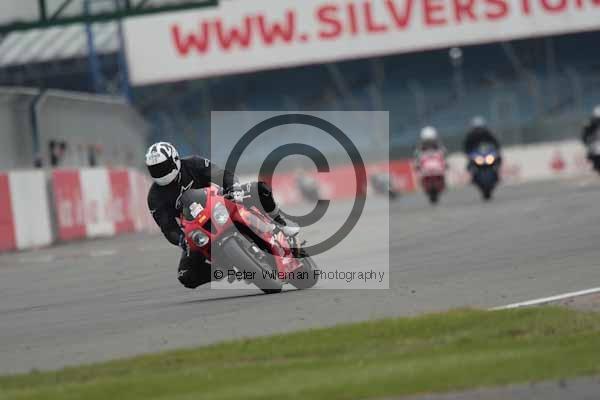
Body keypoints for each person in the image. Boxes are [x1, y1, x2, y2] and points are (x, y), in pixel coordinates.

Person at [145, 142, 298, 289]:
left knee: (260, 189)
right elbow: (168, 228)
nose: (160, 172)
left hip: (220, 202)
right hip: (196, 226)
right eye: (155, 169)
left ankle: (280, 222)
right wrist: (181, 240)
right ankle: (225, 269)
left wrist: (233, 188)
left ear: (175, 160)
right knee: (185, 275)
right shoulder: (154, 197)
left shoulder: (193, 163)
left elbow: (221, 174)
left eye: (163, 167)